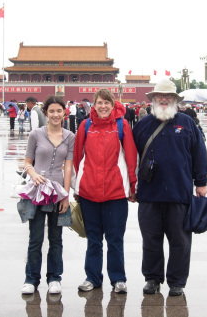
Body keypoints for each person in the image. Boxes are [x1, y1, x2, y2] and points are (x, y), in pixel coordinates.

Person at [132, 79, 207, 297]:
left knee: (180, 241)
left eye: (168, 97)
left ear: (175, 100)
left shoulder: (186, 123)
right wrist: (130, 184)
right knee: (151, 240)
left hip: (179, 193)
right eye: (160, 96)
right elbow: (129, 157)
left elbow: (199, 154)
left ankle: (177, 281)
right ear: (153, 99)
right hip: (149, 194)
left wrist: (201, 182)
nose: (164, 100)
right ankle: (152, 278)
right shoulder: (142, 125)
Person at [73, 88, 137, 294]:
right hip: (89, 192)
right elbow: (76, 157)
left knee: (115, 238)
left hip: (115, 192)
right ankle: (92, 277)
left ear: (112, 104)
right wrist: (77, 186)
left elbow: (131, 158)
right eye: (99, 102)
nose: (103, 106)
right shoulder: (86, 125)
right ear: (94, 104)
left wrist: (133, 186)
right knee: (93, 238)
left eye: (106, 103)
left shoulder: (122, 125)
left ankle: (118, 278)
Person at [21, 96, 75, 295]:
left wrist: (66, 195)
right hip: (36, 192)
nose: (55, 115)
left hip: (57, 191)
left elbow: (68, 167)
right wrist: (33, 173)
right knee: (35, 238)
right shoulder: (36, 135)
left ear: (64, 113)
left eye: (59, 111)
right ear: (46, 112)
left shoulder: (70, 136)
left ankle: (54, 278)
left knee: (56, 238)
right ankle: (31, 279)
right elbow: (27, 162)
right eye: (51, 111)